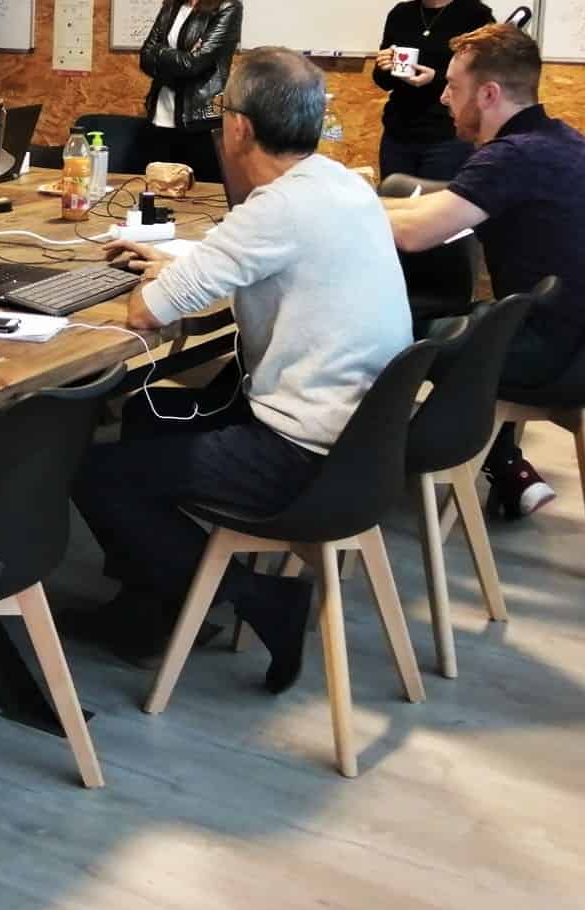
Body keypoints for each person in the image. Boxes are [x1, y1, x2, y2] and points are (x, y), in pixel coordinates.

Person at [70, 49, 410, 688]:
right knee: (146, 413)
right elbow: (259, 255)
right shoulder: (339, 185)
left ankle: (258, 599)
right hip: (364, 445)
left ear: (239, 127)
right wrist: (184, 260)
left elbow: (145, 312)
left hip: (302, 455)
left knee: (95, 474)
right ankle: (154, 607)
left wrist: (163, 276)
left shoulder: (272, 212)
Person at [380, 24, 585, 520]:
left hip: (553, 351)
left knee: (394, 337)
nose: (444, 99)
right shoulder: (561, 139)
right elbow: (436, 212)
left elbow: (415, 233)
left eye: (453, 88)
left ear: (489, 94)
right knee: (461, 321)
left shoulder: (512, 156)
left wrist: (339, 208)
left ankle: (363, 469)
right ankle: (508, 468)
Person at [371, 0, 494, 180]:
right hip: (398, 135)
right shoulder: (401, 13)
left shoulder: (476, 16)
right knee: (396, 207)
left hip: (448, 138)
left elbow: (482, 80)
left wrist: (436, 79)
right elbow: (383, 82)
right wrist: (383, 65)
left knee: (435, 212)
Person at [135, 0, 242, 182]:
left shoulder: (227, 9)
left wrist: (162, 53)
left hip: (199, 123)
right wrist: (173, 54)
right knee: (158, 195)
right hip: (160, 117)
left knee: (197, 201)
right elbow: (145, 57)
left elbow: (194, 65)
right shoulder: (173, 3)